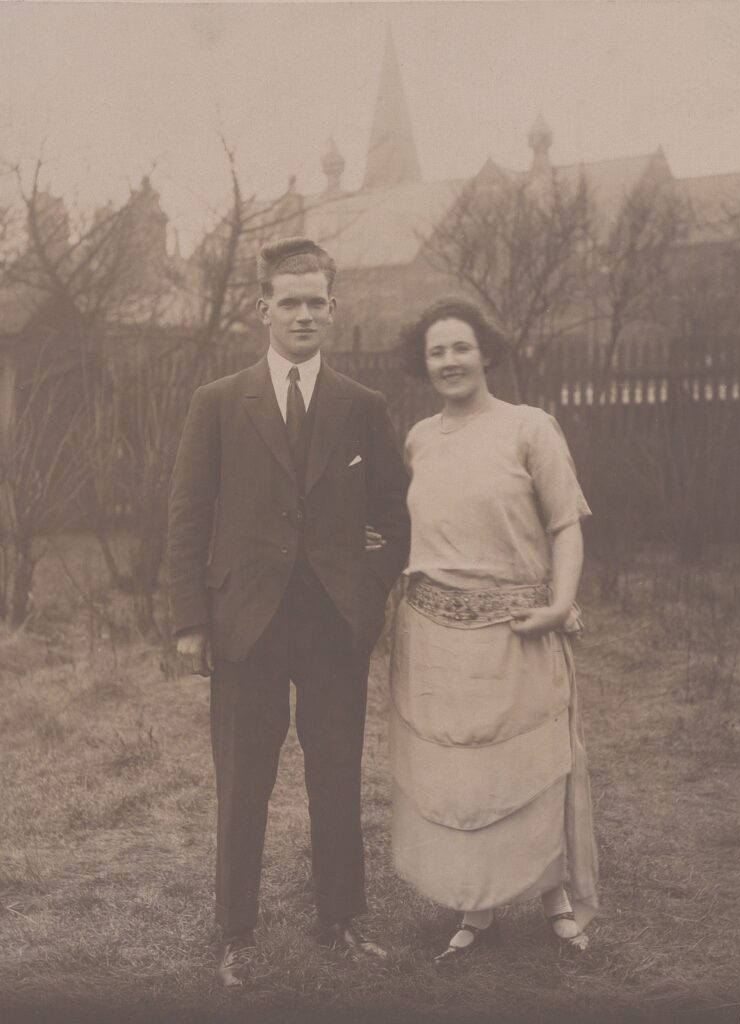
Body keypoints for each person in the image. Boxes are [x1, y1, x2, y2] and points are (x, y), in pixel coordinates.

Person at [167, 237, 410, 988]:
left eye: (317, 302)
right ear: (262, 307)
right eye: (290, 300)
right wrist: (188, 620)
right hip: (248, 622)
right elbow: (187, 512)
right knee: (244, 779)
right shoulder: (218, 401)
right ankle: (235, 933)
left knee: (336, 774)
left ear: (333, 310)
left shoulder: (362, 407)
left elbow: (392, 518)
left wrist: (366, 597)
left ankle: (340, 919)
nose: (303, 314)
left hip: (335, 623)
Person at [390, 298, 598, 963]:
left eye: (459, 347)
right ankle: (475, 904)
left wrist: (559, 601)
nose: (448, 361)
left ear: (485, 353)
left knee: (532, 766)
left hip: (520, 629)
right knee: (462, 774)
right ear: (422, 364)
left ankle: (553, 896)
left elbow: (565, 525)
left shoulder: (528, 428)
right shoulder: (419, 439)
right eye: (435, 351)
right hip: (434, 637)